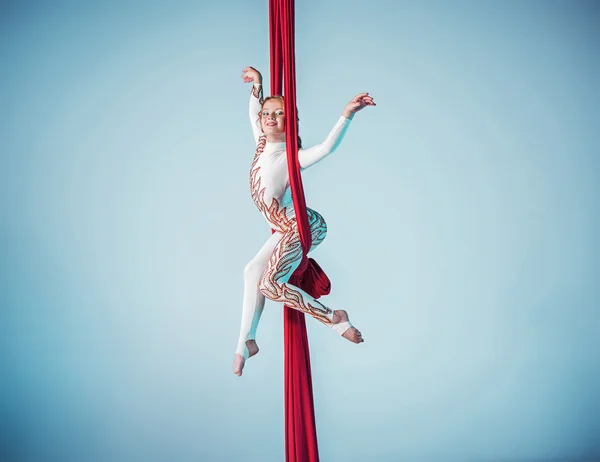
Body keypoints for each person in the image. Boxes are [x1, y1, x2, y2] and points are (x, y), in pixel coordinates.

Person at [234, 66, 375, 376]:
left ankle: (335, 319)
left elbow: (326, 148)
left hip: (304, 226)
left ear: (290, 122)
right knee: (251, 271)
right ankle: (247, 340)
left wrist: (347, 113)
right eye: (267, 113)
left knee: (271, 284)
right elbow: (252, 113)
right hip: (287, 228)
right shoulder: (261, 144)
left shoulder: (292, 157)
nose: (270, 117)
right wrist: (257, 85)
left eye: (279, 113)